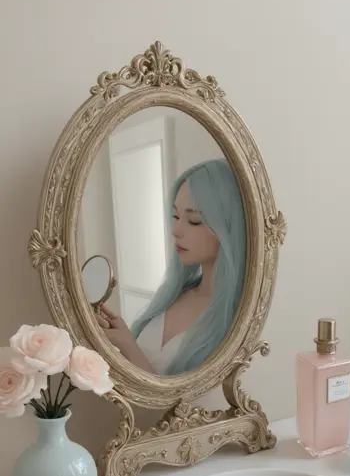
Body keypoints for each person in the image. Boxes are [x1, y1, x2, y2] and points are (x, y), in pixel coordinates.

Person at [97, 158, 246, 375]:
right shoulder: (176, 294)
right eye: (175, 216)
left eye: (194, 220)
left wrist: (128, 346)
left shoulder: (239, 316)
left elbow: (183, 396)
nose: (176, 230)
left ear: (228, 227)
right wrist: (121, 339)